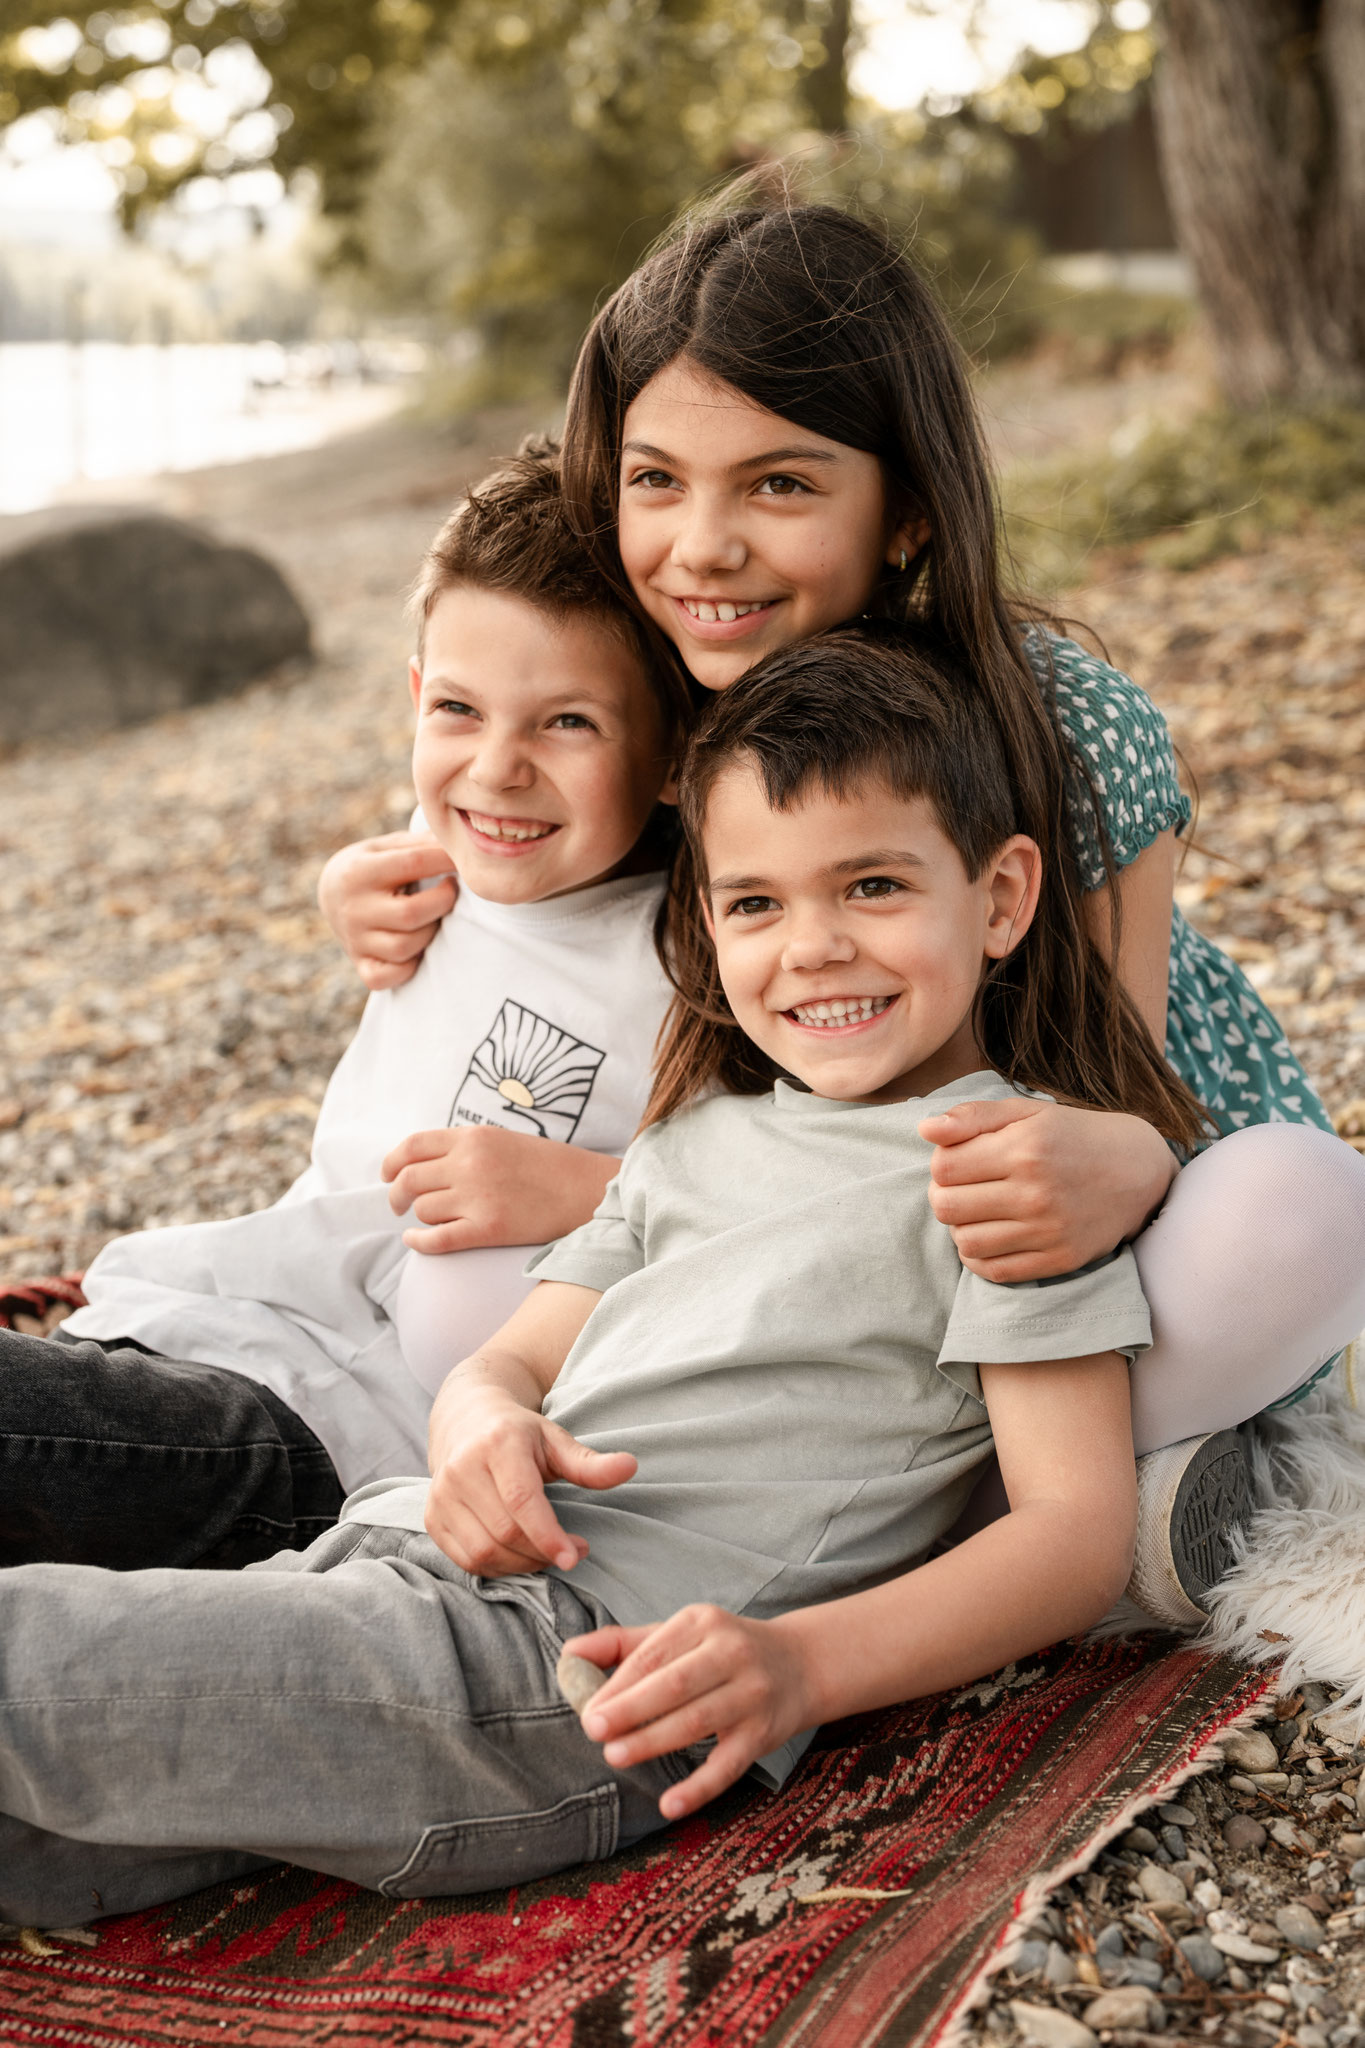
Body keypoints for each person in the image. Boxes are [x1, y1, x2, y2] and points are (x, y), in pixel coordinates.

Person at [1, 628, 1188, 1928]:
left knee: (31, 1650)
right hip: (394, 1572)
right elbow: (508, 1359)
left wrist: (797, 1668)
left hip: (583, 1669)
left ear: (1003, 898)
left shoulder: (1004, 1170)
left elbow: (1069, 1535)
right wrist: (483, 1426)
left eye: (872, 887)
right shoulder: (692, 1141)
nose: (811, 947)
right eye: (755, 903)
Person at [319, 200, 1365, 1607]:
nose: (701, 546)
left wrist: (1133, 1162)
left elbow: (1132, 1092)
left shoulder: (1068, 729)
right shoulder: (664, 702)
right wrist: (372, 879)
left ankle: (1011, 1521)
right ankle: (1035, 1519)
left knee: (1302, 1201)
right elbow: (502, 818)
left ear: (909, 507)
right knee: (454, 1305)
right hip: (809, 1268)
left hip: (1058, 1247)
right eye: (655, 480)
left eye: (780, 486)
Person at [0, 449, 686, 1570]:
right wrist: (342, 884)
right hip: (210, 1312)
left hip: (339, 1435)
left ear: (672, 751)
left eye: (569, 723)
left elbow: (789, 1199)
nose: (498, 769)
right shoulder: (445, 850)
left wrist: (594, 1190)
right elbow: (430, 813)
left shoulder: (692, 961)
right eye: (460, 708)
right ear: (419, 696)